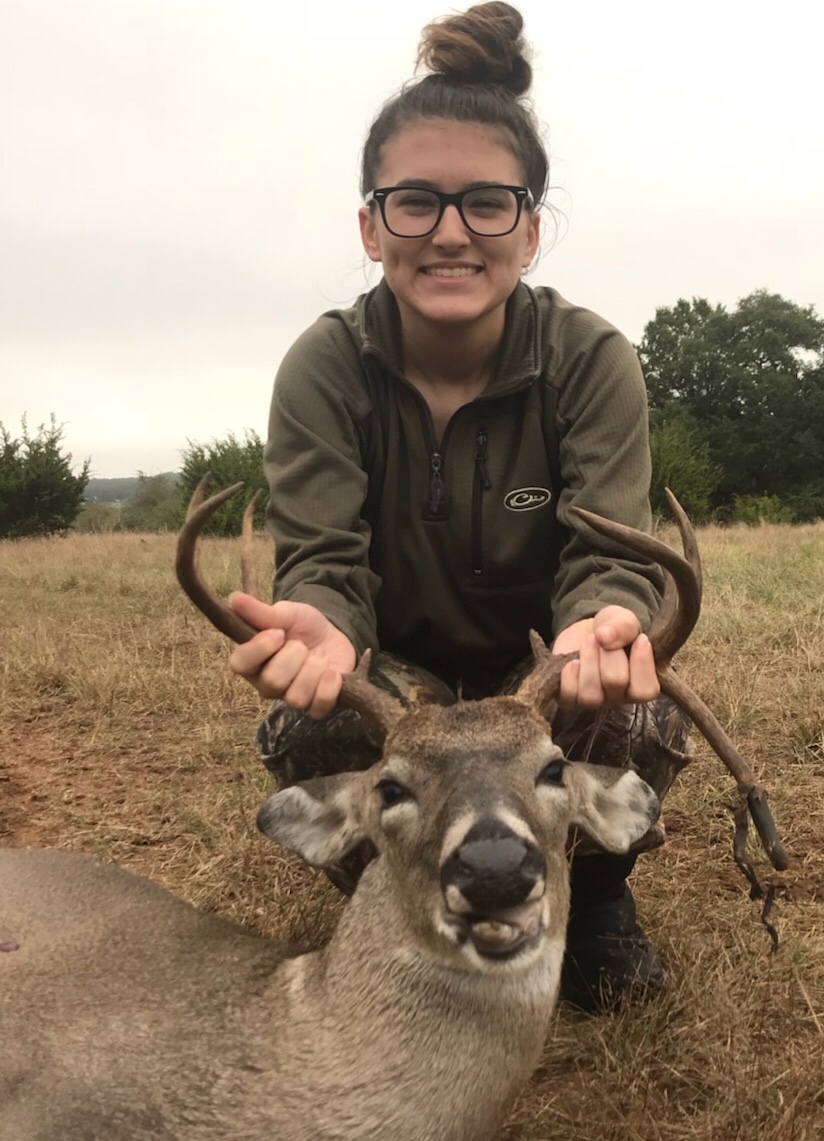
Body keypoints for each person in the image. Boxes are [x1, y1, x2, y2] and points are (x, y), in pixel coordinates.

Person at [227, 1, 692, 1012]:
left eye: (486, 204)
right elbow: (324, 565)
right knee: (308, 726)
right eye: (413, 204)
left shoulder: (589, 360)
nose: (448, 233)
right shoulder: (325, 368)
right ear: (369, 224)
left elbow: (608, 551)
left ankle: (594, 900)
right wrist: (326, 631)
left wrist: (597, 623)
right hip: (407, 682)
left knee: (634, 709)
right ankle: (408, 893)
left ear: (528, 230)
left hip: (538, 671)